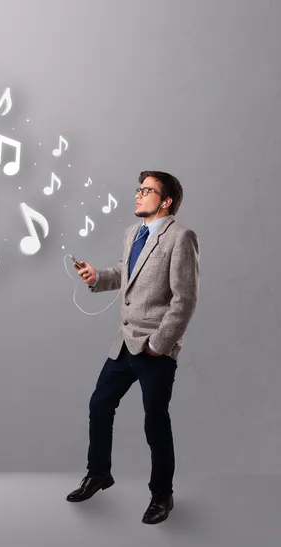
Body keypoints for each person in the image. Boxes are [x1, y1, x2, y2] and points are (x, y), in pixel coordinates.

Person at [66, 171, 199, 525]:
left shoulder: (181, 237)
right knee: (100, 405)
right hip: (124, 343)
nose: (139, 195)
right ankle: (99, 474)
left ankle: (161, 495)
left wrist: (160, 343)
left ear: (166, 200)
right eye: (139, 189)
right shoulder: (132, 233)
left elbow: (184, 300)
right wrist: (98, 277)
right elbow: (128, 273)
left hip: (155, 349)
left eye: (148, 191)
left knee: (155, 422)